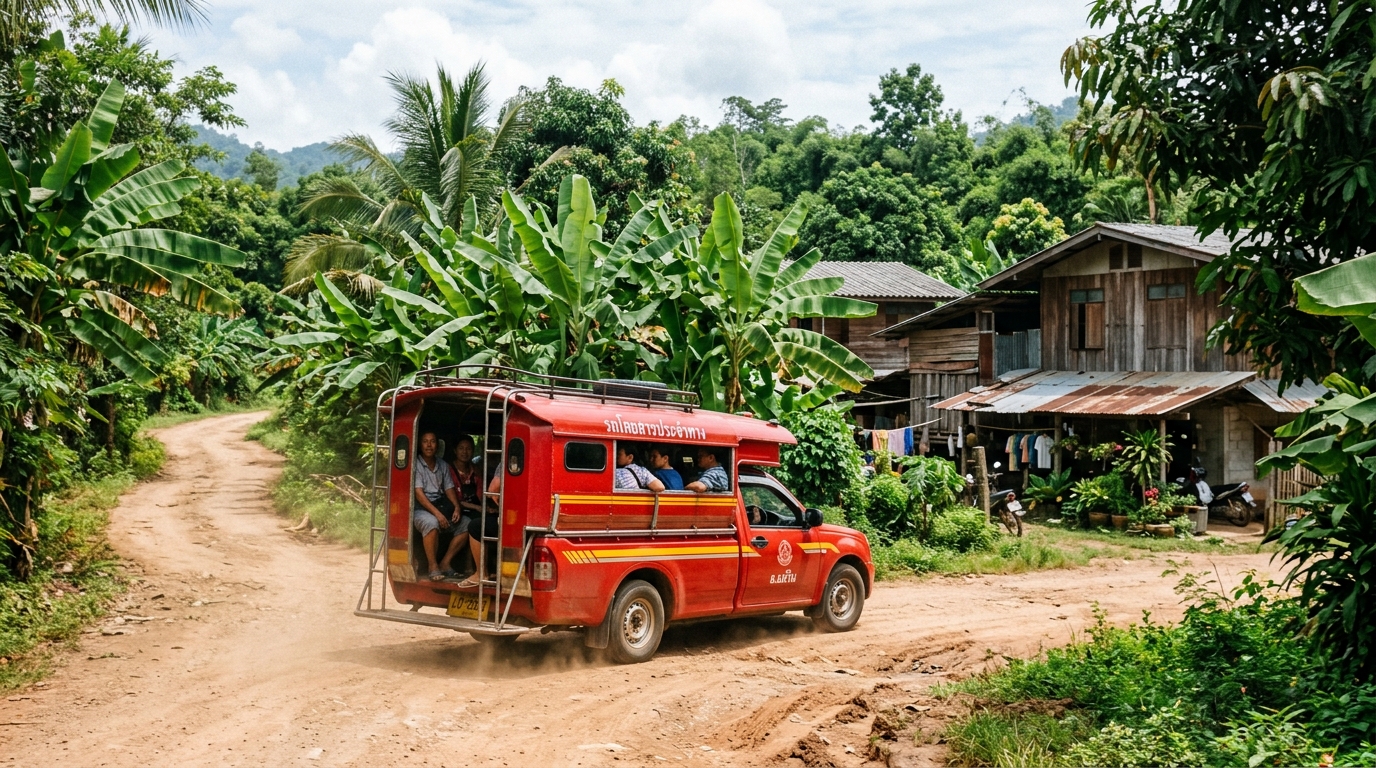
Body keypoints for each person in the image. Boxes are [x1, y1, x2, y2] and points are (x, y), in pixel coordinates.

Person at [412, 432, 469, 581]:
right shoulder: (416, 464)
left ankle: (445, 563)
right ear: (420, 445)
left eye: (432, 442)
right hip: (421, 509)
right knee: (431, 523)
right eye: (425, 441)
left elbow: (449, 488)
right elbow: (419, 493)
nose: (429, 445)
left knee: (466, 524)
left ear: (438, 445)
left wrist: (457, 507)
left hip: (441, 506)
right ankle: (433, 566)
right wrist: (437, 514)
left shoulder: (443, 465)